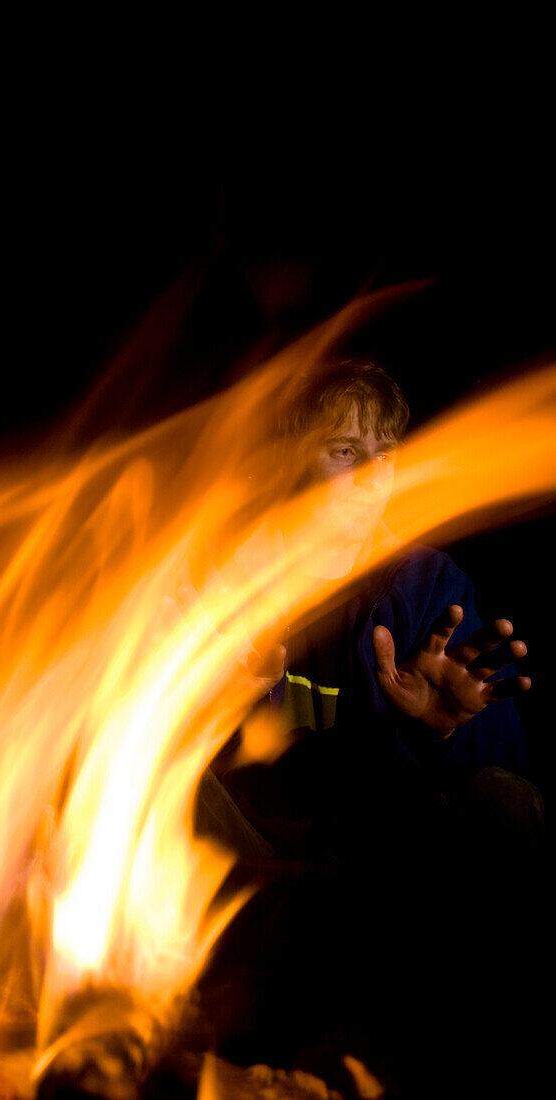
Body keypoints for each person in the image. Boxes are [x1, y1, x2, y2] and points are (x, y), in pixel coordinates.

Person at [198, 359, 546, 1097]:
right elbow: (169, 750)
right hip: (266, 871)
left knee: (504, 801)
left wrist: (443, 728)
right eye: (343, 452)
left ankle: (381, 1051)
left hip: (395, 873)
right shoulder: (234, 578)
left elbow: (512, 758)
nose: (368, 476)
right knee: (158, 786)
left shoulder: (428, 587)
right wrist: (224, 700)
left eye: (383, 455)